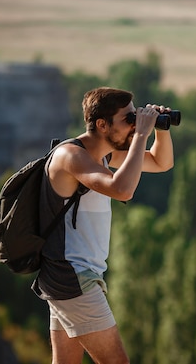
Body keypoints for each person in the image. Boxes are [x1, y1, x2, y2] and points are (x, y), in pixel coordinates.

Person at [31, 87, 174, 364]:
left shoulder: (103, 155)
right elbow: (122, 190)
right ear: (101, 124)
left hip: (73, 274)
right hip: (72, 275)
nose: (134, 125)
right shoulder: (71, 156)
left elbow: (160, 162)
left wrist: (160, 129)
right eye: (128, 119)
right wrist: (142, 134)